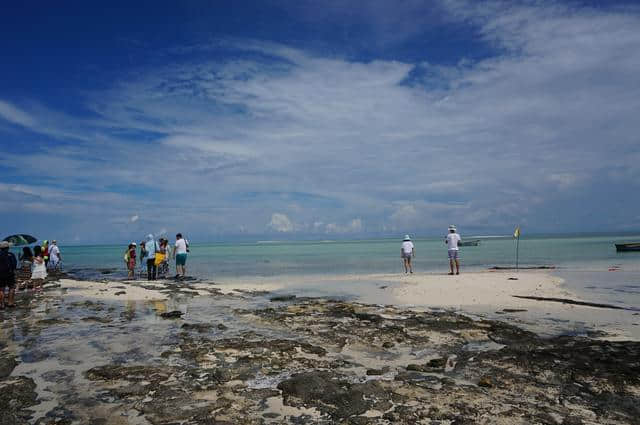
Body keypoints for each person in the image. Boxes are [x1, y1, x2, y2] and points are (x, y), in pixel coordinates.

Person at [0, 241, 18, 309]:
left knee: (1, 289)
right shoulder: (11, 254)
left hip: (0, 274)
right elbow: (14, 264)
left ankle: (2, 304)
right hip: (10, 274)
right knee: (11, 287)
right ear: (8, 248)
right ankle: (10, 303)